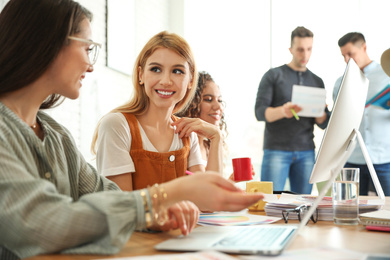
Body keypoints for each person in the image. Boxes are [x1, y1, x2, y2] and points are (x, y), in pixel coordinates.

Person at [0, 1, 263, 259]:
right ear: (46, 44)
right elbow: (43, 223)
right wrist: (166, 197)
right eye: (88, 48)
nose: (91, 65)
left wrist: (155, 215)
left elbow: (108, 196)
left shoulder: (57, 136)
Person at [91, 32, 224, 193]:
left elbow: (208, 201)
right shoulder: (117, 125)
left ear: (190, 80)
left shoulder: (188, 135)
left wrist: (216, 136)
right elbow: (123, 207)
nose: (166, 81)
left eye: (177, 71)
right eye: (155, 69)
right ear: (141, 75)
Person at [254, 26, 329, 194]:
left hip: (306, 152)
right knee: (271, 202)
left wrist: (321, 112)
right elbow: (260, 112)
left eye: (309, 49)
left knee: (303, 205)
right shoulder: (273, 75)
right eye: (300, 49)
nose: (305, 55)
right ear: (291, 49)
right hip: (276, 150)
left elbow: (322, 124)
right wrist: (283, 111)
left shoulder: (317, 81)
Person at [332, 32, 390, 196]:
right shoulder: (340, 83)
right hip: (352, 158)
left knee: (388, 208)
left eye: (351, 54)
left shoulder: (387, 74)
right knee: (351, 208)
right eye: (343, 56)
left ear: (364, 47)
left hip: (384, 157)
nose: (347, 60)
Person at [175, 71, 227, 167]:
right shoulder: (181, 144)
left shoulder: (209, 146)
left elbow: (211, 180)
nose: (218, 106)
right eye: (208, 99)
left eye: (219, 100)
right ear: (191, 103)